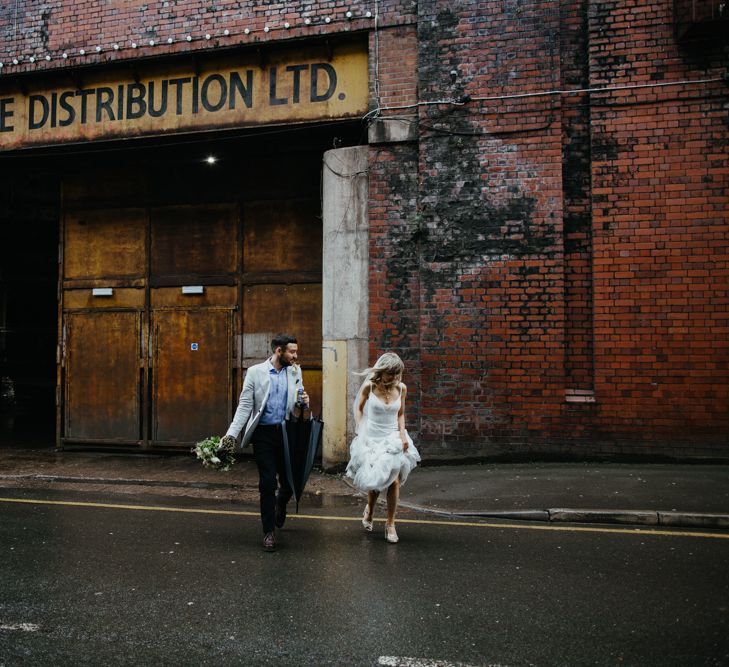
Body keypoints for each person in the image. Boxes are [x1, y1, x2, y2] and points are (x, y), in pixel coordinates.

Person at [220, 333, 309, 552]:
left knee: (289, 483)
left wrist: (304, 402)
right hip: (264, 435)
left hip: (287, 433)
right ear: (279, 351)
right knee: (267, 482)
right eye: (292, 351)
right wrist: (231, 436)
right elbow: (244, 407)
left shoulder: (295, 371)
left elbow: (298, 405)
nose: (296, 356)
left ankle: (281, 503)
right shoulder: (255, 373)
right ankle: (268, 532)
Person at [345, 352, 420, 544]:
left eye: (397, 374)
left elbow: (401, 414)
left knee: (393, 481)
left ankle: (390, 524)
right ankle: (370, 509)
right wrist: (362, 430)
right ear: (382, 372)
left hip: (392, 437)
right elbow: (359, 408)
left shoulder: (401, 388)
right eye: (390, 374)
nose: (394, 378)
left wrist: (402, 434)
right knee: (376, 483)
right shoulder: (370, 387)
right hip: (372, 437)